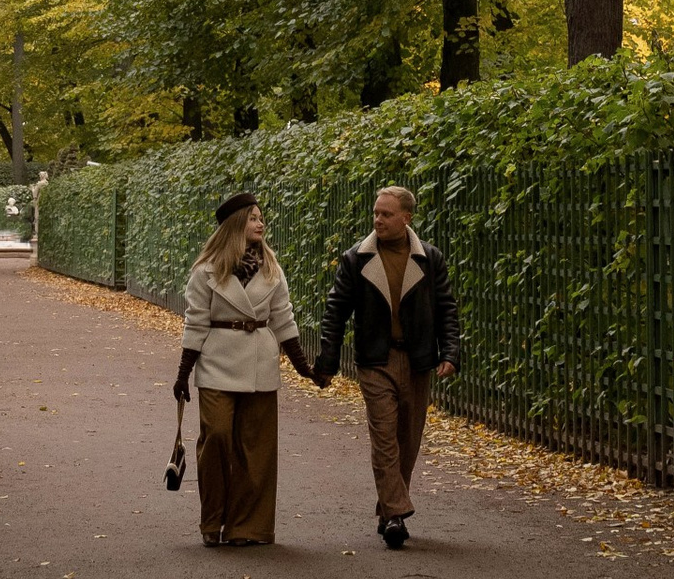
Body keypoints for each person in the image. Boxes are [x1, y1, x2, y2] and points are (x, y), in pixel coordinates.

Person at [313, 182, 461, 548]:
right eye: (376, 213)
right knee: (384, 437)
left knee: (407, 439)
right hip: (375, 359)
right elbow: (336, 312)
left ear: (406, 218)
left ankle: (387, 509)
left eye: (386, 214)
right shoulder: (356, 259)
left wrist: (451, 353)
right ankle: (396, 514)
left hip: (417, 360)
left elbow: (447, 308)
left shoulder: (430, 257)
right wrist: (328, 361)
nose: (378, 219)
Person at [174, 194, 318, 548]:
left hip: (259, 363)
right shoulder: (205, 271)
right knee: (218, 437)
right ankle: (212, 519)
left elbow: (284, 319)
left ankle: (248, 527)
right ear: (236, 225)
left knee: (257, 449)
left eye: (261, 218)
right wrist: (182, 374)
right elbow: (195, 322)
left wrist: (304, 368)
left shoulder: (272, 269)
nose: (260, 223)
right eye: (253, 218)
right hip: (216, 361)